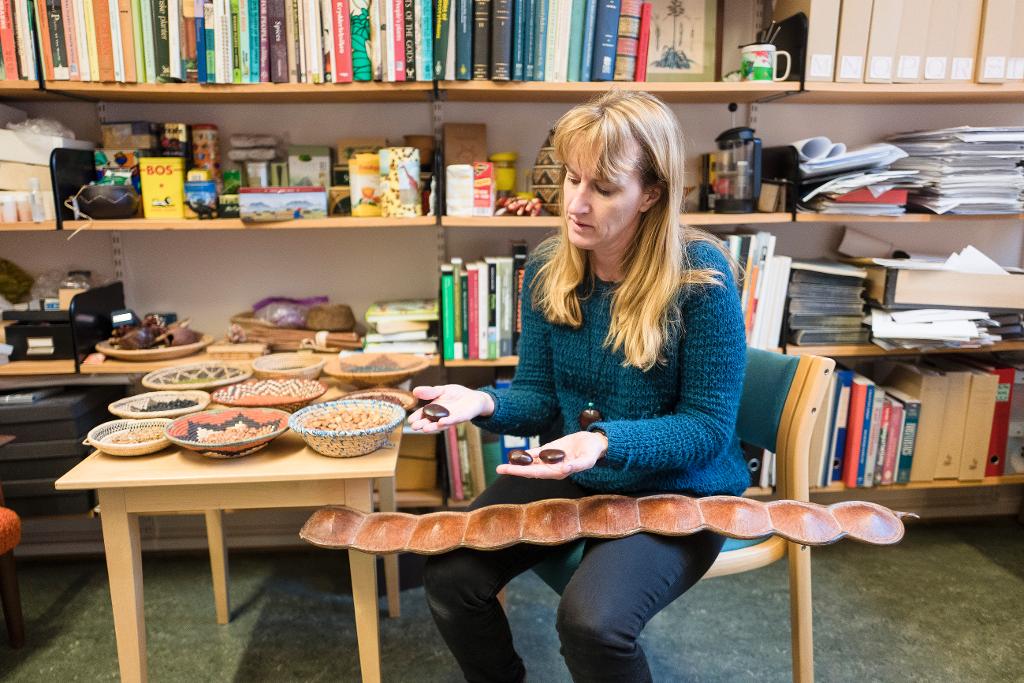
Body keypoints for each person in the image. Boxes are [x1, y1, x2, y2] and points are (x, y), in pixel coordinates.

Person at [408, 90, 749, 683]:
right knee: (449, 575)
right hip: (575, 470)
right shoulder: (549, 268)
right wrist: (483, 401)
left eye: (605, 188)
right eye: (571, 179)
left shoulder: (703, 278)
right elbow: (539, 396)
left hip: (677, 490)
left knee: (592, 626)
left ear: (653, 193)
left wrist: (602, 442)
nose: (577, 203)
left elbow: (708, 428)